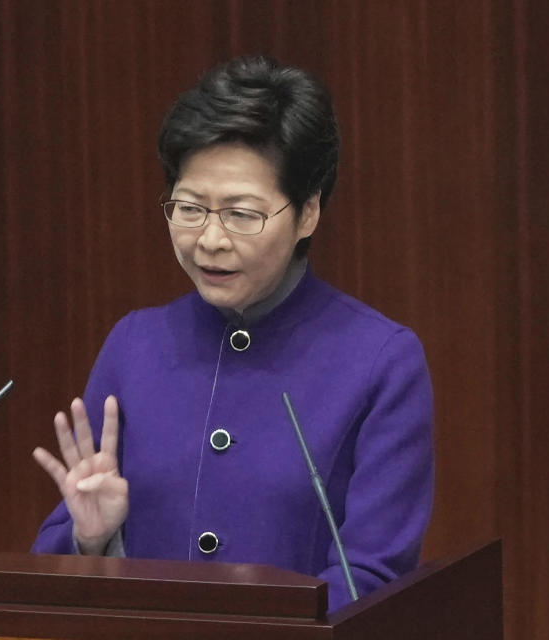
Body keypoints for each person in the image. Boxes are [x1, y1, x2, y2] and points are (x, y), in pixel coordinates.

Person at [30, 55, 433, 613]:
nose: (209, 240)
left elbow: (374, 573)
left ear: (309, 212)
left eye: (242, 214)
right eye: (190, 208)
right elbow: (52, 570)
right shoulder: (135, 345)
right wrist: (91, 538)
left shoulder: (380, 360)